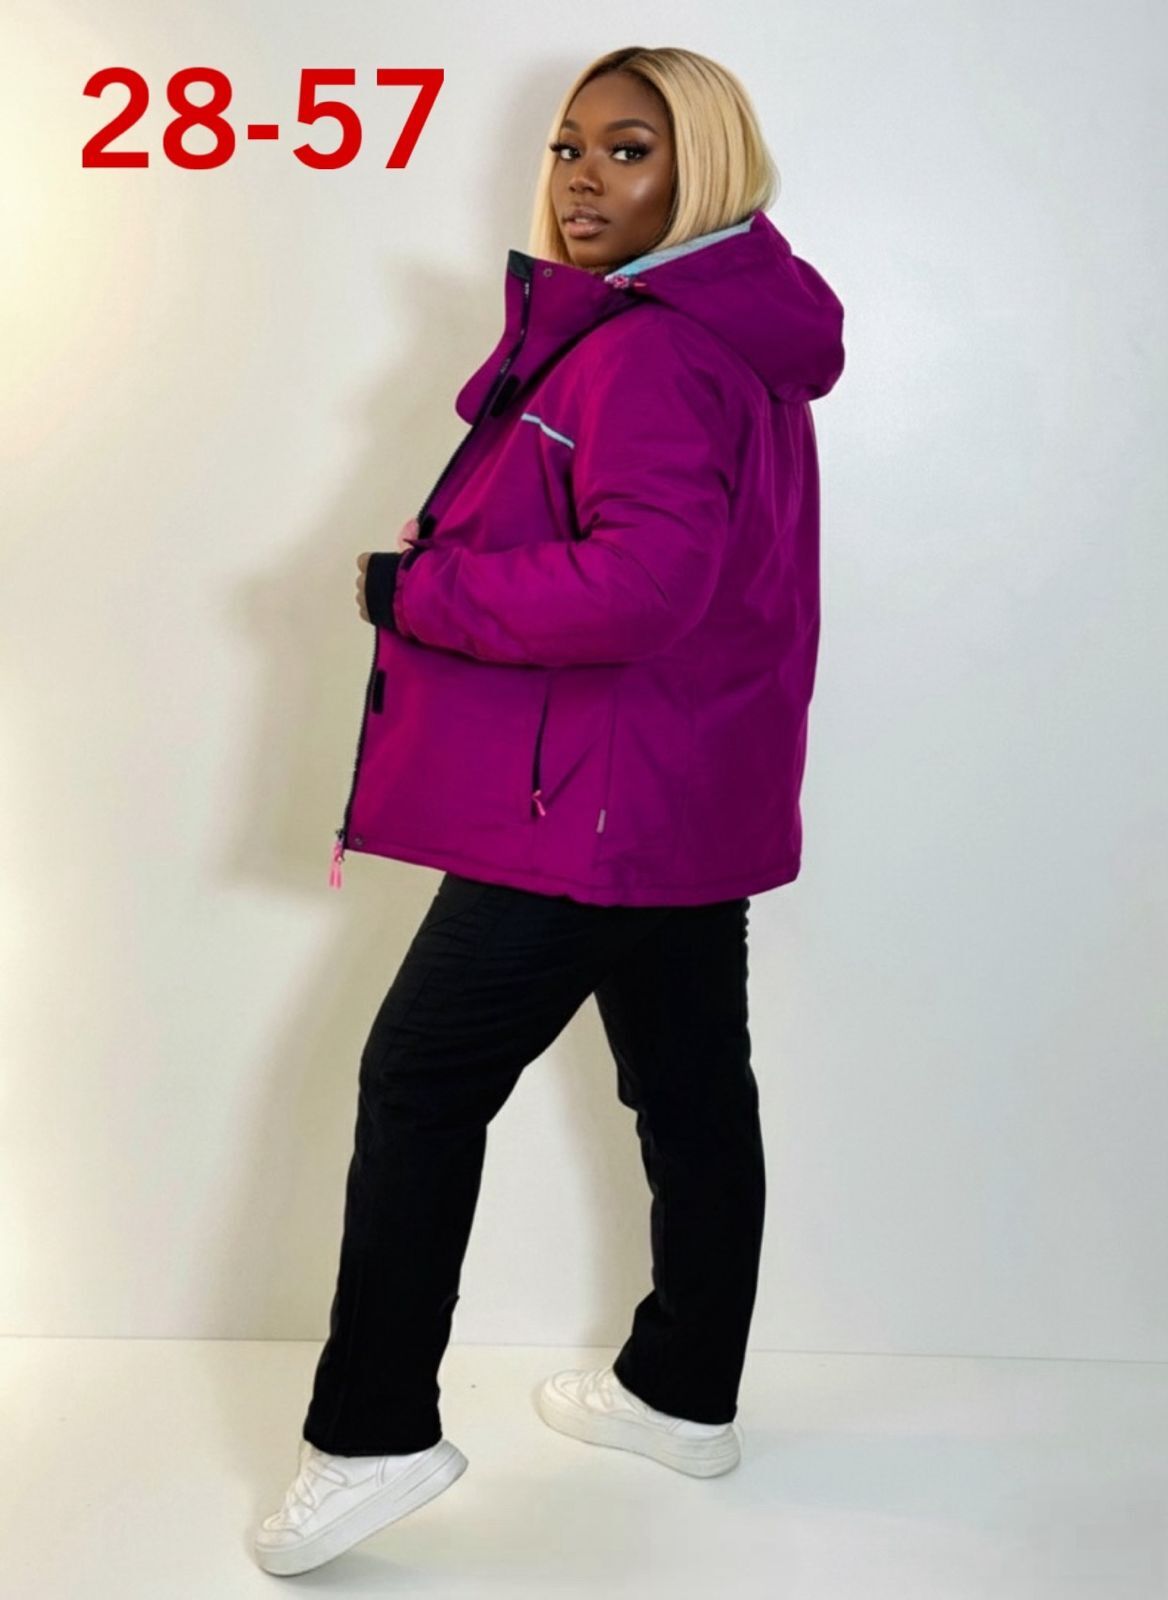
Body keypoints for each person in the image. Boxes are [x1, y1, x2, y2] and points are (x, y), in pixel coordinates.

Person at [253, 43, 845, 1577]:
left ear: (703, 166)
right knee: (691, 1091)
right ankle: (681, 1392)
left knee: (418, 1081)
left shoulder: (653, 349)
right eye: (572, 148)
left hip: (597, 806)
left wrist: (417, 590)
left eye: (629, 150)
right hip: (687, 792)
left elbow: (644, 585)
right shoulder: (735, 339)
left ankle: (371, 1436)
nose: (585, 179)